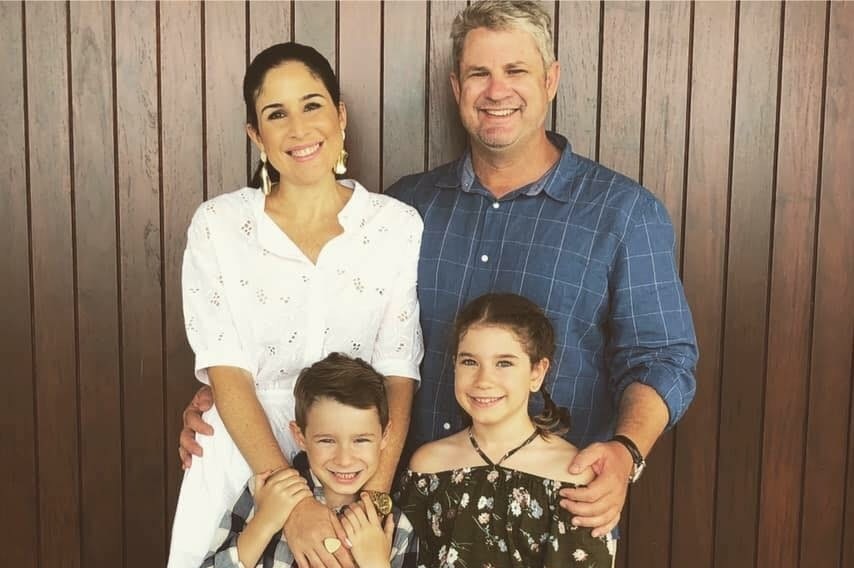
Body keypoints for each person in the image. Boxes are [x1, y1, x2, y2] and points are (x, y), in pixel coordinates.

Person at [180, 1, 697, 562]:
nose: (496, 90)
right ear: (456, 87)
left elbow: (662, 357)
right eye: (479, 73)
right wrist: (222, 396)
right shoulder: (410, 206)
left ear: (551, 80)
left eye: (516, 71)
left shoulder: (623, 213)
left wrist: (626, 452)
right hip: (415, 503)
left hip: (553, 506)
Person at [169, 42, 423, 568]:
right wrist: (293, 501)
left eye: (312, 105)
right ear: (256, 136)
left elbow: (399, 371)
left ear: (341, 116)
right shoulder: (218, 226)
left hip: (351, 460)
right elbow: (226, 370)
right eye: (275, 114)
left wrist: (371, 500)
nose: (299, 128)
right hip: (241, 452)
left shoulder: (395, 226)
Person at [399, 293, 614, 567]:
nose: (484, 380)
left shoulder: (572, 475)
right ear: (454, 364)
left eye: (504, 363)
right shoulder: (428, 466)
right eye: (469, 362)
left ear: (537, 372)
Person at [201, 353, 417, 568]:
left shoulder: (394, 528)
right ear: (300, 436)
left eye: (360, 440)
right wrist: (264, 524)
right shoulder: (266, 493)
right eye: (327, 440)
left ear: (385, 436)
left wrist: (375, 563)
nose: (344, 459)